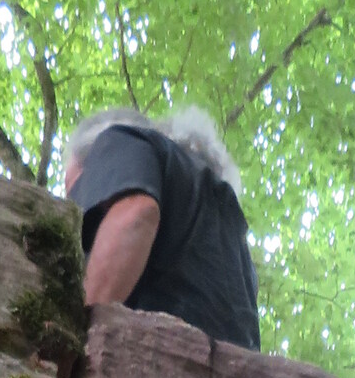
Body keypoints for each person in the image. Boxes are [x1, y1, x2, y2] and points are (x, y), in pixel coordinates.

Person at [63, 106, 261, 350]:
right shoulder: (224, 222)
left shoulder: (118, 139)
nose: (72, 201)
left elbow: (135, 214)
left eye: (73, 187)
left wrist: (73, 335)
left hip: (148, 356)